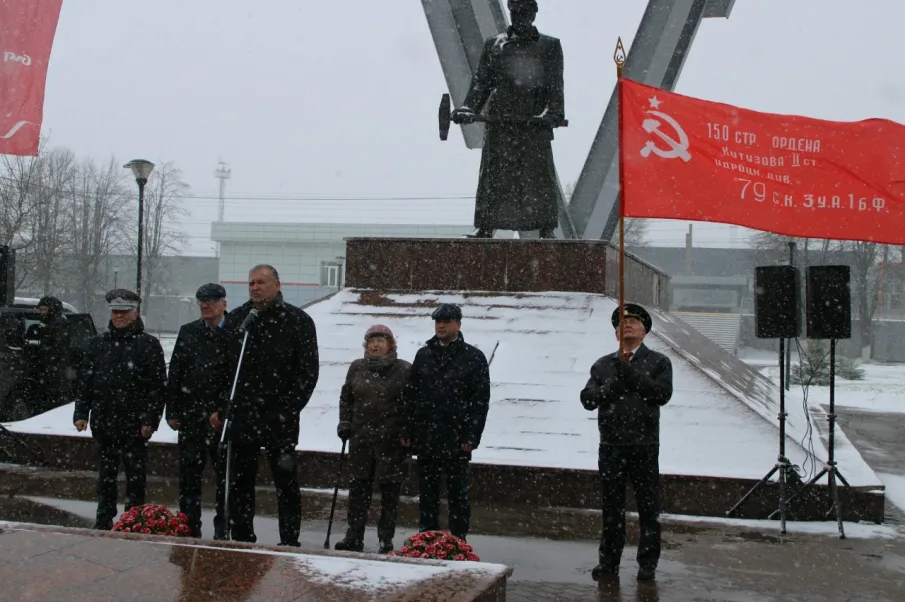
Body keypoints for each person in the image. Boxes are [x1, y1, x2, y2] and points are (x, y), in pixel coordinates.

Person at [212, 264, 319, 546]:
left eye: (261, 282)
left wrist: (288, 409)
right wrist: (221, 407)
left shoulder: (298, 321)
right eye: (251, 283)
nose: (255, 288)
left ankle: (289, 539)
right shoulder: (238, 320)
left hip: (279, 418)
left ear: (277, 285)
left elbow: (307, 373)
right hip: (243, 415)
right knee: (240, 482)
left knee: (285, 483)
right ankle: (242, 536)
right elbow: (223, 370)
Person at [452, 0, 566, 238]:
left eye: (524, 12)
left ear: (533, 14)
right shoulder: (494, 45)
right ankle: (486, 225)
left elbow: (555, 84)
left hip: (533, 123)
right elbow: (482, 82)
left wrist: (554, 113)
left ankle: (546, 227)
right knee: (494, 176)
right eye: (515, 11)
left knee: (538, 177)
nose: (519, 16)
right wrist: (468, 108)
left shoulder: (549, 46)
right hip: (501, 122)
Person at [580, 303, 673, 583]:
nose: (627, 325)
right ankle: (608, 562)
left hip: (643, 445)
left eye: (633, 321)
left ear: (644, 331)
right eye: (621, 322)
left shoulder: (658, 362)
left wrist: (631, 375)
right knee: (612, 508)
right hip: (611, 446)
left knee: (648, 508)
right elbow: (588, 399)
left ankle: (647, 563)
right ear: (615, 333)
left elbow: (661, 394)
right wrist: (612, 387)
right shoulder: (603, 364)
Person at [73, 289, 167, 530]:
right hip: (104, 421)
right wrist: (81, 413)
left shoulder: (148, 345)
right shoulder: (98, 343)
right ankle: (104, 516)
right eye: (115, 311)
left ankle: (134, 518)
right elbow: (86, 381)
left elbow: (157, 388)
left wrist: (150, 420)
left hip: (135, 425)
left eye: (124, 312)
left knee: (136, 477)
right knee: (106, 476)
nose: (119, 316)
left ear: (135, 314)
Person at [401, 303, 490, 541]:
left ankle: (458, 540)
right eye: (437, 322)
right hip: (427, 435)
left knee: (457, 494)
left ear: (458, 325)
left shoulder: (473, 357)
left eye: (446, 321)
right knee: (427, 492)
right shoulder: (424, 354)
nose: (440, 326)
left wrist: (471, 435)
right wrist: (407, 428)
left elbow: (479, 402)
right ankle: (427, 537)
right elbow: (411, 394)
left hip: (456, 437)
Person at [334, 324, 412, 554]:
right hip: (361, 439)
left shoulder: (404, 370)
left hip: (392, 441)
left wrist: (407, 431)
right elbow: (346, 397)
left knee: (389, 492)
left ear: (390, 345)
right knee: (358, 489)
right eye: (371, 341)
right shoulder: (357, 368)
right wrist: (344, 422)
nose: (375, 345)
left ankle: (385, 538)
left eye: (380, 340)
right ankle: (354, 535)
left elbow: (412, 405)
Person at [164, 283, 232, 539]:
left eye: (212, 301)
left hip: (222, 422)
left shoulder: (236, 332)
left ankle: (222, 530)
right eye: (202, 301)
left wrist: (222, 409)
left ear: (224, 304)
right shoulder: (189, 332)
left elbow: (238, 377)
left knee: (225, 481)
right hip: (192, 420)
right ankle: (189, 526)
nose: (206, 305)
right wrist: (172, 410)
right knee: (189, 479)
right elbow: (177, 373)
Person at [21, 296, 71, 415]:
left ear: (52, 309)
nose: (42, 312)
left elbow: (58, 346)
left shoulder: (59, 322)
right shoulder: (46, 321)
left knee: (52, 401)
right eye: (41, 310)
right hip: (46, 369)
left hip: (54, 370)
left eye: (44, 310)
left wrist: (40, 351)